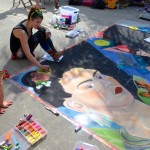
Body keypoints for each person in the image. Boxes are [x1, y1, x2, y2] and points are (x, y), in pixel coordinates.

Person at [59, 68, 150, 139]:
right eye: (90, 86)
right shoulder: (132, 141)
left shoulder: (143, 88)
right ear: (77, 105)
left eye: (100, 76)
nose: (107, 83)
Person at [10, 6, 63, 71]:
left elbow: (44, 29)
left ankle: (55, 53)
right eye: (38, 22)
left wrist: (47, 30)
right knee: (41, 34)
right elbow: (27, 53)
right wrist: (40, 66)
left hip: (25, 47)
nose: (39, 24)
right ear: (31, 18)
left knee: (43, 32)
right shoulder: (22, 32)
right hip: (19, 53)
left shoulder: (29, 22)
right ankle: (54, 54)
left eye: (40, 22)